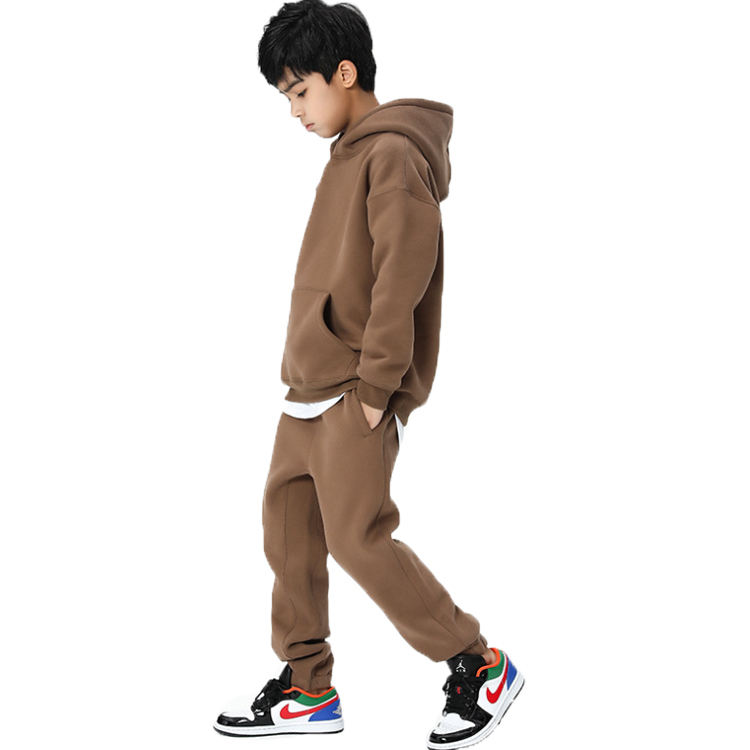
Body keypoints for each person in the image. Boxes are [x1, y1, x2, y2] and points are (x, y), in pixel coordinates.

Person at [214, 1, 524, 746]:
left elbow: (402, 275)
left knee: (358, 538)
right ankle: (306, 688)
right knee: (288, 531)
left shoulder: (392, 153)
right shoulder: (347, 155)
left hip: (356, 390)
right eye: (285, 97)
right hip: (308, 387)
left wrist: (378, 387)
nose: (294, 111)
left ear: (345, 73)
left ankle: (478, 663)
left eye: (300, 91)